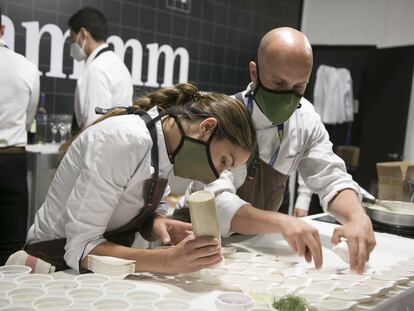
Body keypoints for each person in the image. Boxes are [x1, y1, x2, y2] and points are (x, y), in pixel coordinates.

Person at [175, 27, 376, 274]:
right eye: (278, 84)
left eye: (298, 87)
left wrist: (357, 216)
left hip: (254, 243)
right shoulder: (223, 117)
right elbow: (216, 203)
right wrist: (283, 221)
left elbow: (330, 177)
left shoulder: (305, 120)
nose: (287, 97)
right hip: (194, 241)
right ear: (254, 72)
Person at [25, 83, 256, 273]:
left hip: (90, 270)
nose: (217, 173)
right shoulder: (125, 140)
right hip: (52, 264)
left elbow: (140, 209)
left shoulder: (166, 147)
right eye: (224, 160)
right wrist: (167, 261)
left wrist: (160, 225)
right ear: (206, 128)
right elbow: (81, 249)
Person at [0, 7, 40, 265]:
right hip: (11, 161)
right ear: (3, 30)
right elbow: (29, 116)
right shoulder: (26, 67)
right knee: (11, 247)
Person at [68, 7, 133, 133]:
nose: (72, 43)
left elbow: (93, 130)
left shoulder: (96, 69)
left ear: (83, 33)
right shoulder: (118, 64)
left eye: (72, 37)